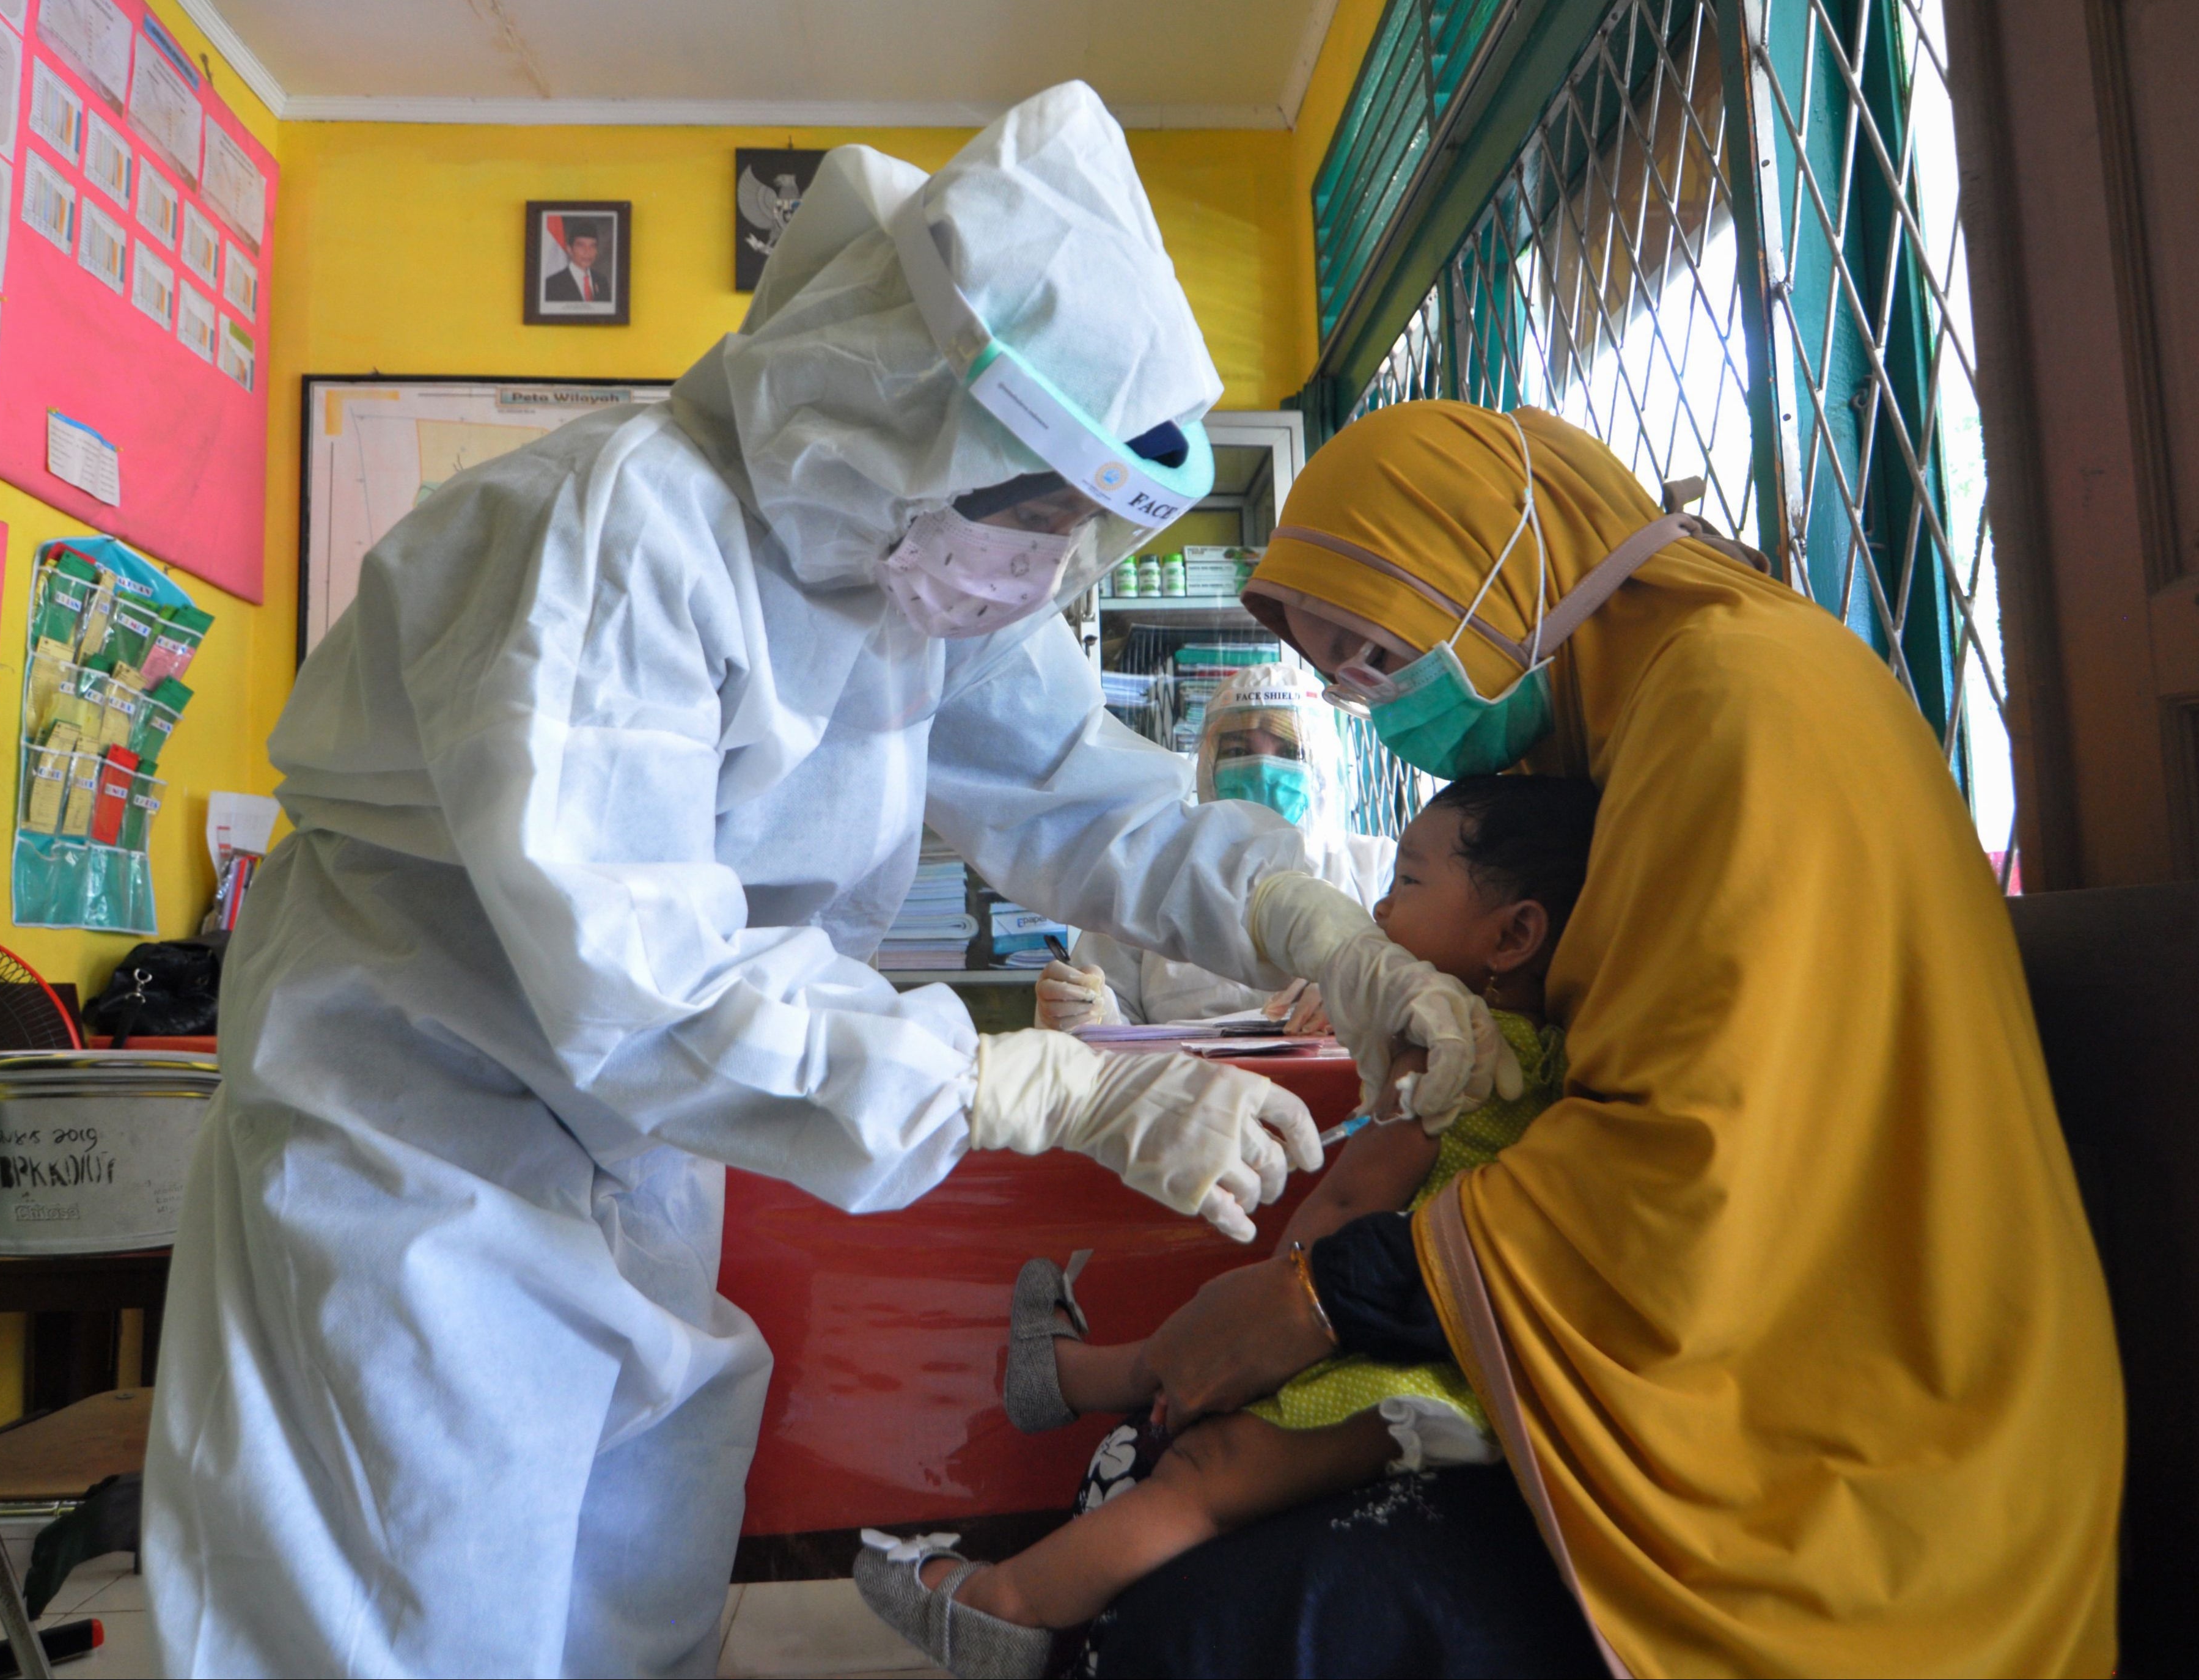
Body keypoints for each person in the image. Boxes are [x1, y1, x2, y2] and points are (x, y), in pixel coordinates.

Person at [140, 86, 1505, 1679]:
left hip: (633, 1151)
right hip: (413, 1140)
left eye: (1076, 535)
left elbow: (1080, 793)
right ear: (899, 400)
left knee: (627, 1585)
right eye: (1032, 511)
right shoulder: (624, 533)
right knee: (404, 1604)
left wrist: (1327, 937)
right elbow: (636, 964)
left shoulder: (912, 571)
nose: (1041, 569)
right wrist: (1036, 1082)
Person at [1107, 400, 2124, 1677]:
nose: (1367, 708)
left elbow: (1696, 1158)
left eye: (1376, 656)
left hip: (1863, 1436)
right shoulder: (1616, 728)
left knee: (1223, 1616)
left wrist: (1321, 1299)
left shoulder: (1736, 702)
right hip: (1736, 1352)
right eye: (1336, 675)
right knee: (1190, 1505)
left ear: (1501, 571)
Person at [854, 776, 1599, 1678]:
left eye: (1406, 881)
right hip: (1452, 1370)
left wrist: (1269, 1315)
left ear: (1514, 933)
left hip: (1393, 1372)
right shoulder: (1547, 1057)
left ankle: (1002, 1605)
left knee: (1205, 1475)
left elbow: (1346, 1214)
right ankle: (1064, 1375)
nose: (1374, 904)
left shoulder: (1444, 1054)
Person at [1033, 662, 1393, 1030]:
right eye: (1238, 751)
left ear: (1323, 766)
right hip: (1186, 1084)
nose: (1263, 769)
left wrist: (1359, 992)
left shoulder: (1379, 867)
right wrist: (1090, 1011)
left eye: (1288, 751)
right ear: (1208, 764)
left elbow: (1426, 995)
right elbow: (1105, 1015)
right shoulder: (1150, 868)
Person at [543, 221, 609, 304]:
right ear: (570, 249)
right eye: (581, 246)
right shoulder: (552, 284)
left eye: (592, 246)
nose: (587, 252)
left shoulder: (602, 281)